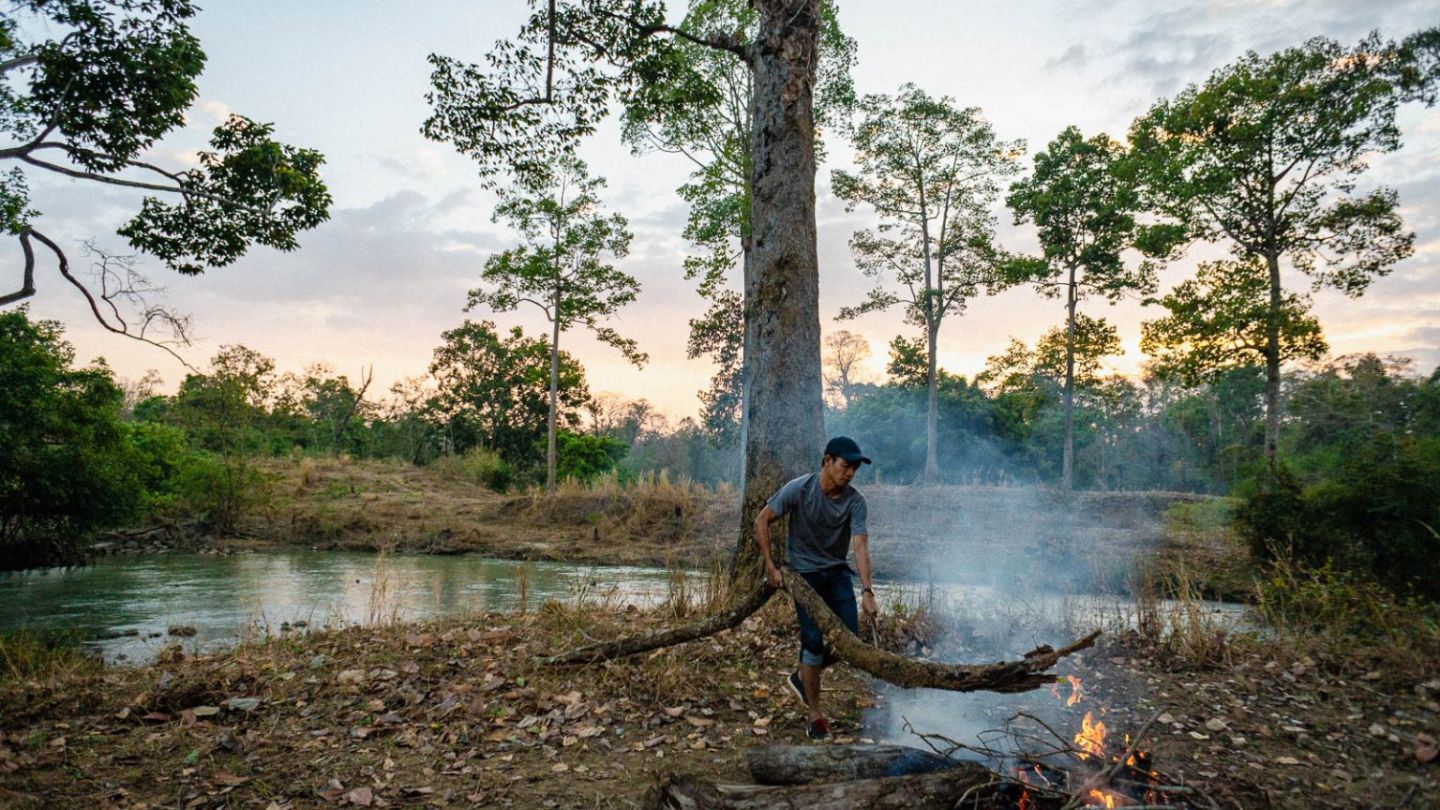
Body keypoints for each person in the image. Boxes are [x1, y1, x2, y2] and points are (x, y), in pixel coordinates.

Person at [753, 435, 878, 740]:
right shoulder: (800, 488)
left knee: (850, 642)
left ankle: (802, 675)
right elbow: (761, 520)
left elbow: (860, 545)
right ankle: (815, 715)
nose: (849, 474)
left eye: (854, 469)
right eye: (845, 466)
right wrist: (771, 565)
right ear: (827, 461)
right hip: (804, 575)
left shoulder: (855, 502)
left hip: (836, 573)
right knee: (812, 643)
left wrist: (867, 592)